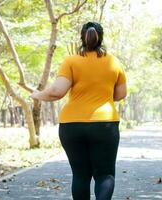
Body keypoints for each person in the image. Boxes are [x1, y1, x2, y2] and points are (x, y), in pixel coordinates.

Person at [30, 22, 127, 200]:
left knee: (80, 175)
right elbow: (120, 94)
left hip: (72, 125)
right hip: (105, 124)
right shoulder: (114, 61)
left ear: (82, 38)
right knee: (104, 174)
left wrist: (38, 94)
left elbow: (56, 92)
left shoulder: (71, 61)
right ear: (101, 37)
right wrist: (100, 93)